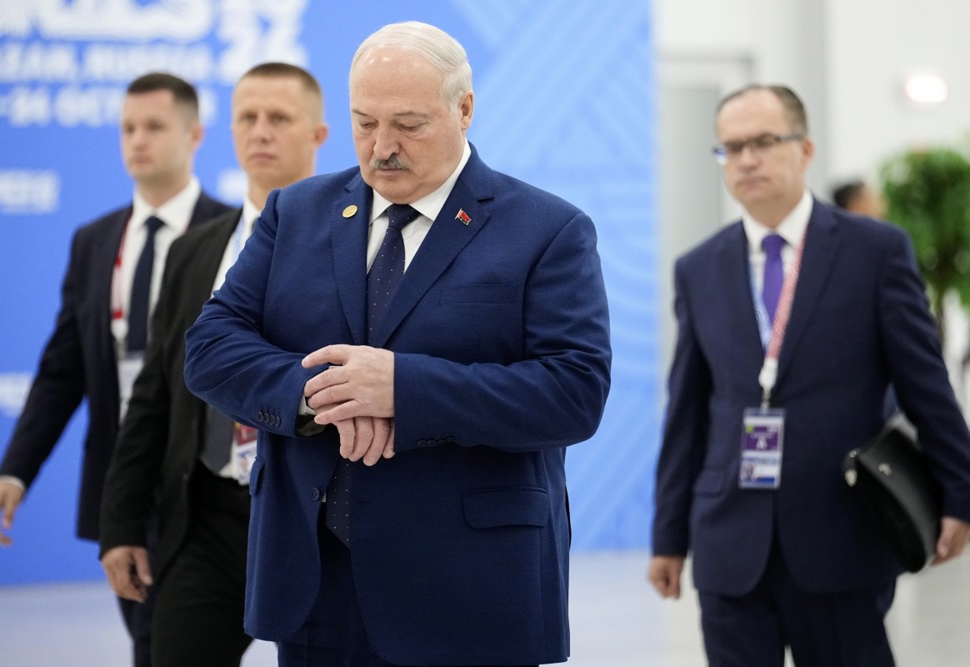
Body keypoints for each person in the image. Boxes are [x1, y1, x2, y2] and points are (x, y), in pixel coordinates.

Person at [183, 20, 612, 667]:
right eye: (364, 123)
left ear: (464, 109)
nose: (382, 147)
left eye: (408, 124)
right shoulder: (293, 214)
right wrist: (321, 395)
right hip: (316, 586)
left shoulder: (548, 230)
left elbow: (573, 392)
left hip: (471, 590)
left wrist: (402, 388)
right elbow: (211, 346)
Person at [648, 83, 970, 666]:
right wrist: (668, 537)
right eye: (731, 148)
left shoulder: (874, 252)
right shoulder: (699, 268)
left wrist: (960, 495)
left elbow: (926, 387)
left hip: (842, 536)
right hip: (730, 543)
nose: (747, 159)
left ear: (805, 149)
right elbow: (687, 413)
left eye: (763, 142)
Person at [0, 72, 233, 667]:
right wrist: (16, 471)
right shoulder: (93, 241)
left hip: (202, 481)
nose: (138, 140)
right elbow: (61, 371)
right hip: (122, 481)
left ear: (194, 135)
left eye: (154, 126)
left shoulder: (236, 233)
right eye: (127, 128)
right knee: (146, 639)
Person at [98, 62, 328, 667]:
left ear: (318, 135)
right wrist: (121, 523)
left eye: (279, 118)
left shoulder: (355, 249)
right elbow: (154, 396)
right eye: (247, 117)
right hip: (209, 516)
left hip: (316, 518)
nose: (260, 131)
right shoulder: (193, 250)